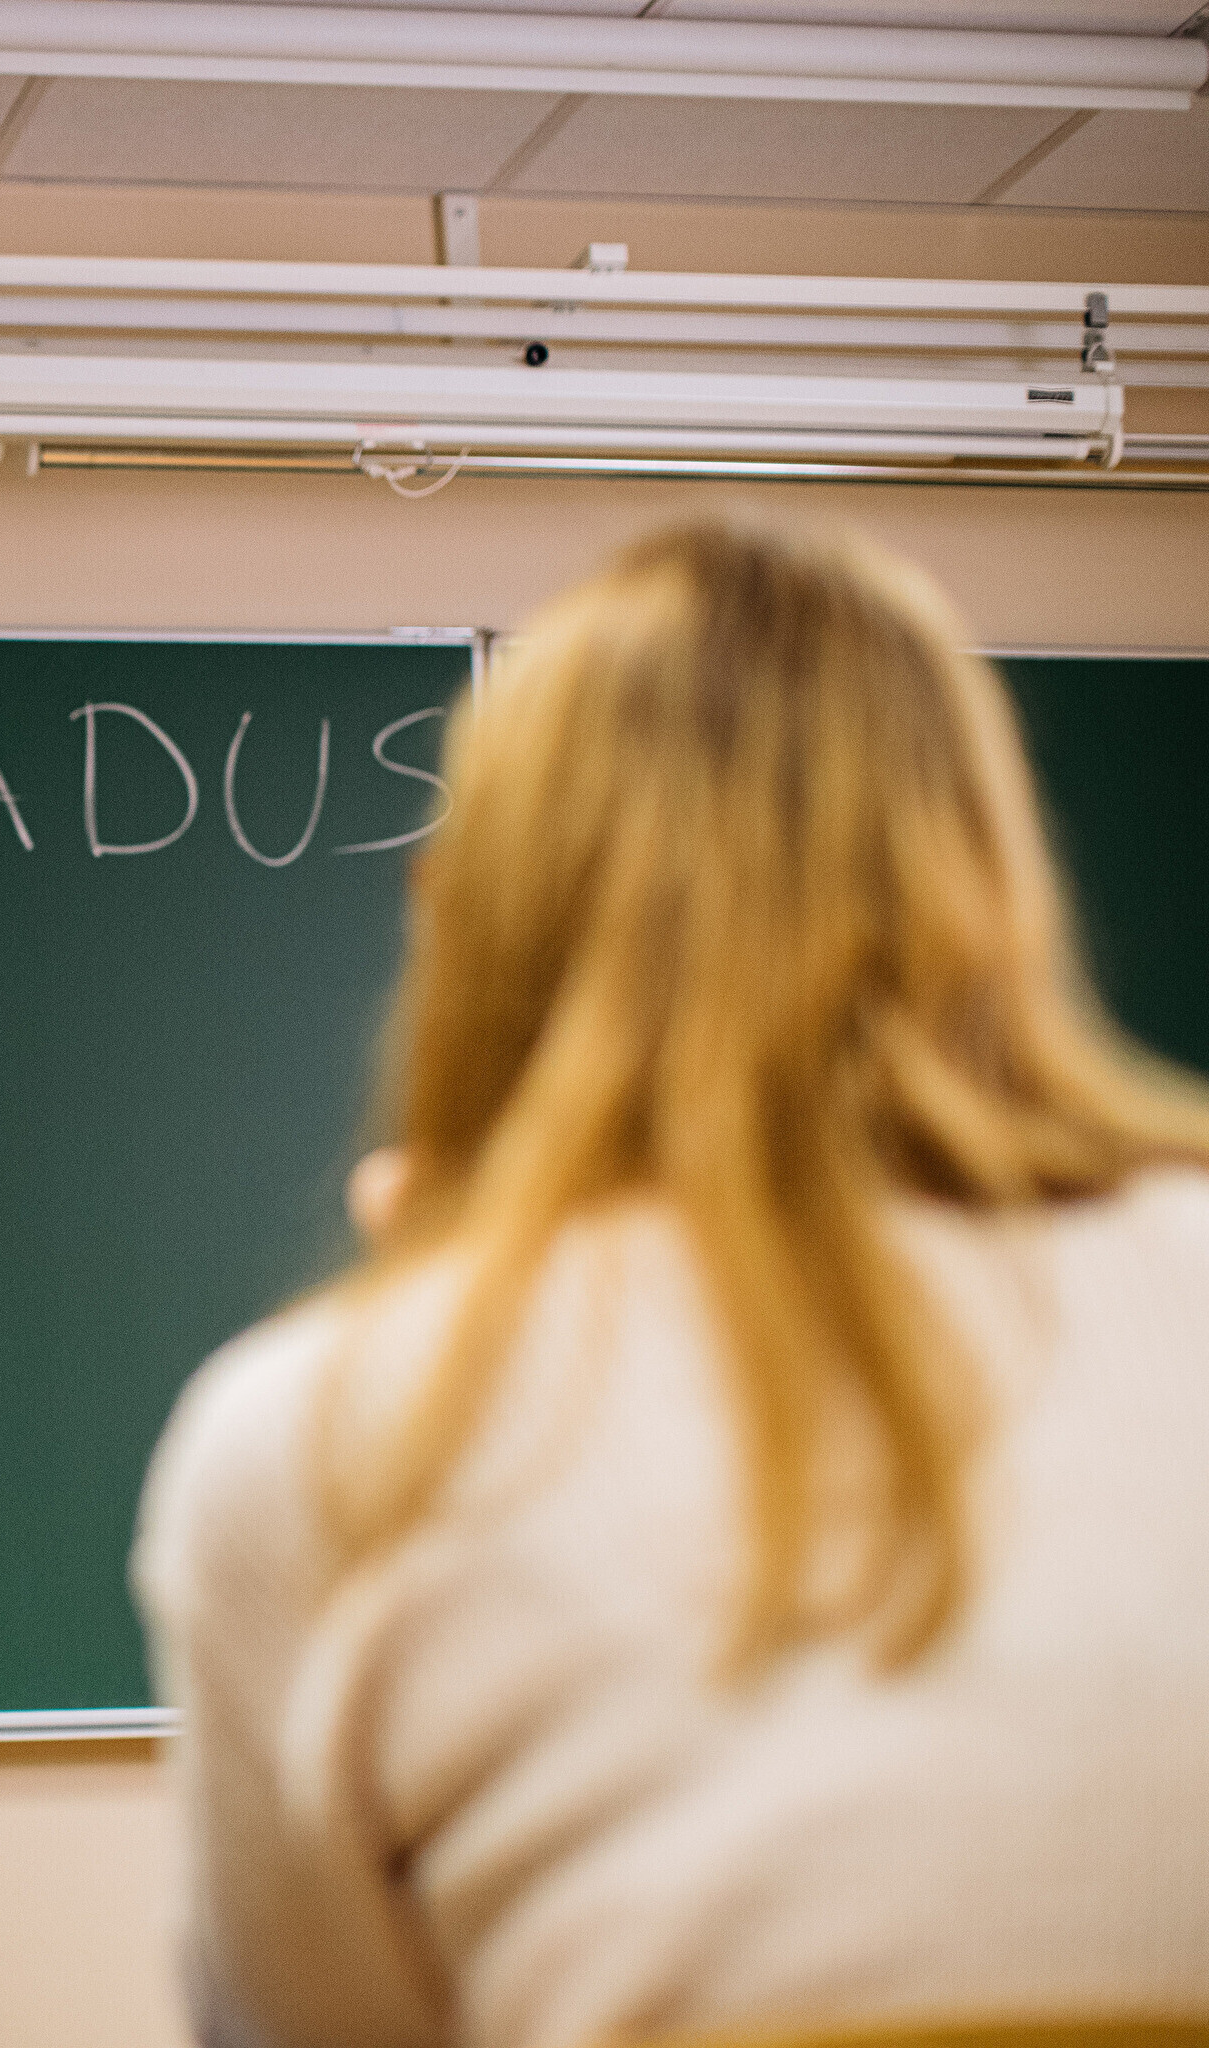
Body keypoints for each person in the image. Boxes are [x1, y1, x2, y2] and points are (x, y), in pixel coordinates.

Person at [132, 516, 1209, 2048]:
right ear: (987, 869)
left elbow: (306, 2025)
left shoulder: (328, 1430)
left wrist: (436, 1322)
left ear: (485, 907)